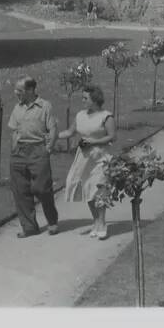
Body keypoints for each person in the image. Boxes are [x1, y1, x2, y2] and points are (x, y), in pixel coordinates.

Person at [58, 85, 116, 240]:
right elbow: (70, 132)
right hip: (83, 159)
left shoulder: (106, 116)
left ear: (95, 99)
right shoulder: (80, 115)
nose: (82, 101)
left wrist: (94, 141)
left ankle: (103, 223)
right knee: (88, 190)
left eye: (85, 98)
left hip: (100, 158)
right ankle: (96, 221)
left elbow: (111, 137)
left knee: (99, 190)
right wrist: (53, 136)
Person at [8, 76, 59, 238]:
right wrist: (14, 149)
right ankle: (29, 227)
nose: (17, 93)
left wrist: (48, 148)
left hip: (38, 150)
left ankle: (52, 221)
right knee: (20, 191)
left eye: (20, 91)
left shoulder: (45, 106)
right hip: (19, 152)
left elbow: (52, 129)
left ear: (30, 90)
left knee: (42, 188)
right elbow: (14, 131)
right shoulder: (17, 108)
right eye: (16, 90)